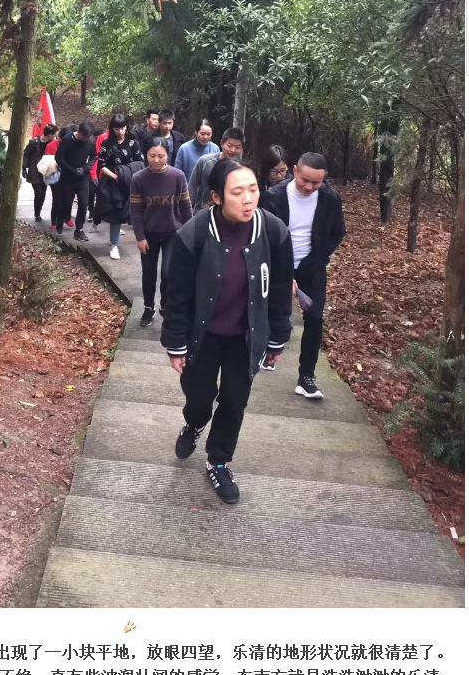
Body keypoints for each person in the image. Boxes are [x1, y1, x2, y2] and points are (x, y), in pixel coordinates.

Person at [161, 158, 293, 503]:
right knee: (199, 397)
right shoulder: (193, 234)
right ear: (217, 197)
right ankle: (194, 423)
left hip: (245, 337)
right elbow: (176, 295)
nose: (248, 199)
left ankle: (218, 461)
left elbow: (281, 290)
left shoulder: (273, 231)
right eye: (237, 192)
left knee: (234, 401)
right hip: (201, 336)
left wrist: (277, 337)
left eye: (253, 189)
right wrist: (175, 343)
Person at [259, 152, 345, 398]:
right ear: (295, 171)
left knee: (315, 318)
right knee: (268, 310)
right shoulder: (273, 197)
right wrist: (282, 272)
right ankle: (265, 350)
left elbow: (337, 231)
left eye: (316, 182)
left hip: (311, 264)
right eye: (305, 180)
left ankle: (306, 376)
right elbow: (262, 235)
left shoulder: (330, 198)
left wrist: (320, 257)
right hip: (277, 263)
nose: (309, 187)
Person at [130, 138, 192, 326]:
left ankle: (166, 304)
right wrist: (140, 236)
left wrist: (189, 232)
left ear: (168, 155)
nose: (156, 160)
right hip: (149, 233)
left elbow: (185, 206)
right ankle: (148, 307)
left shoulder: (178, 176)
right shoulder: (138, 178)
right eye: (152, 155)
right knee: (148, 274)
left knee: (168, 272)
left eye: (161, 156)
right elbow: (136, 210)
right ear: (146, 155)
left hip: (173, 233)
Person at [93, 114, 145, 259]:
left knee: (133, 212)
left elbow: (140, 163)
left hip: (130, 182)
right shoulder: (107, 144)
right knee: (114, 214)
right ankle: (114, 245)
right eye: (117, 129)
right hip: (112, 182)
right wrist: (116, 176)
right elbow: (102, 165)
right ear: (112, 129)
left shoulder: (133, 143)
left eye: (122, 128)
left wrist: (129, 176)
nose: (120, 132)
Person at [55, 121, 96, 240]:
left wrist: (86, 168)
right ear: (79, 131)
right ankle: (60, 219)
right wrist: (72, 170)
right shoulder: (67, 140)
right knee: (67, 202)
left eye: (89, 136)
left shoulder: (90, 141)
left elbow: (94, 157)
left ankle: (79, 230)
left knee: (84, 202)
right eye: (85, 136)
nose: (86, 138)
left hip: (83, 176)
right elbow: (59, 158)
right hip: (68, 176)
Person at [188, 127, 244, 213]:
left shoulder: (240, 169)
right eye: (229, 146)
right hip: (203, 212)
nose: (233, 150)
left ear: (241, 148)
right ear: (222, 143)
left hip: (227, 214)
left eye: (237, 147)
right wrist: (188, 212)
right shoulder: (205, 161)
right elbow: (192, 187)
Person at [22, 123, 58, 222]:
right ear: (50, 135)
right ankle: (37, 214)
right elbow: (26, 154)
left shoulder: (52, 143)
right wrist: (24, 168)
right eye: (54, 134)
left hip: (46, 172)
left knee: (43, 194)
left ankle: (38, 212)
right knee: (38, 193)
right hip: (35, 171)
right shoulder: (34, 142)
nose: (55, 136)